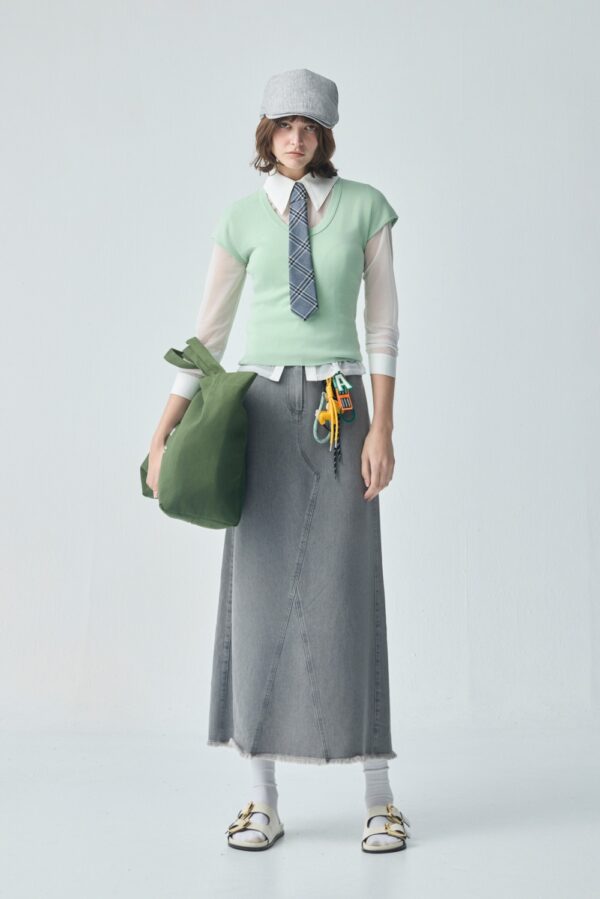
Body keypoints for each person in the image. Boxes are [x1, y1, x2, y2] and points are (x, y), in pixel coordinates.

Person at [146, 68, 411, 854]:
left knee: (349, 588)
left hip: (339, 409)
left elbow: (383, 326)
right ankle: (261, 797)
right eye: (283, 124)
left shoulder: (365, 208)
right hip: (257, 412)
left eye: (309, 126)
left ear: (326, 135)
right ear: (266, 133)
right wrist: (162, 431)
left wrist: (382, 429)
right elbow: (208, 334)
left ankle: (379, 796)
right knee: (255, 594)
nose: (295, 137)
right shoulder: (240, 218)